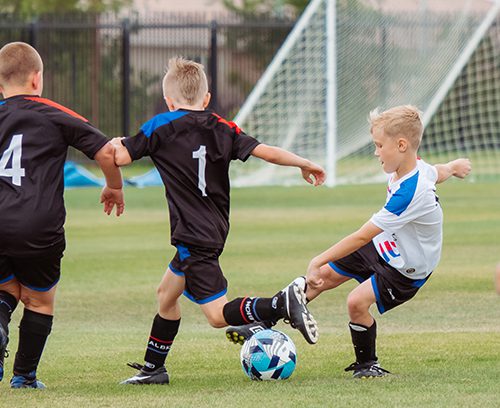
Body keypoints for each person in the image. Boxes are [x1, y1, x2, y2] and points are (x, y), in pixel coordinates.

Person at [112, 57, 325, 385]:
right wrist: (304, 163)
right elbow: (265, 151)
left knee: (215, 316)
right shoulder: (223, 127)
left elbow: (121, 157)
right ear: (207, 99)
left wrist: (113, 145)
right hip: (213, 228)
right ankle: (154, 368)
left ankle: (279, 304)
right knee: (166, 295)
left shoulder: (160, 125)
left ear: (168, 102)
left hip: (191, 235)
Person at [227, 105, 472, 378]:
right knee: (324, 277)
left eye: (380, 145)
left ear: (402, 145)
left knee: (356, 302)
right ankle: (263, 322)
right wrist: (454, 167)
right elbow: (436, 172)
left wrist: (317, 259)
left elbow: (361, 236)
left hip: (407, 268)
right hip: (386, 244)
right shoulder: (415, 169)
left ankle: (368, 364)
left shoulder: (411, 193)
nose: (376, 152)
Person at [0, 42, 124, 389]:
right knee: (39, 298)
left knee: (5, 288)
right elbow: (105, 152)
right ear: (37, 79)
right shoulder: (54, 113)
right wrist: (114, 186)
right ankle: (23, 377)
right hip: (39, 223)